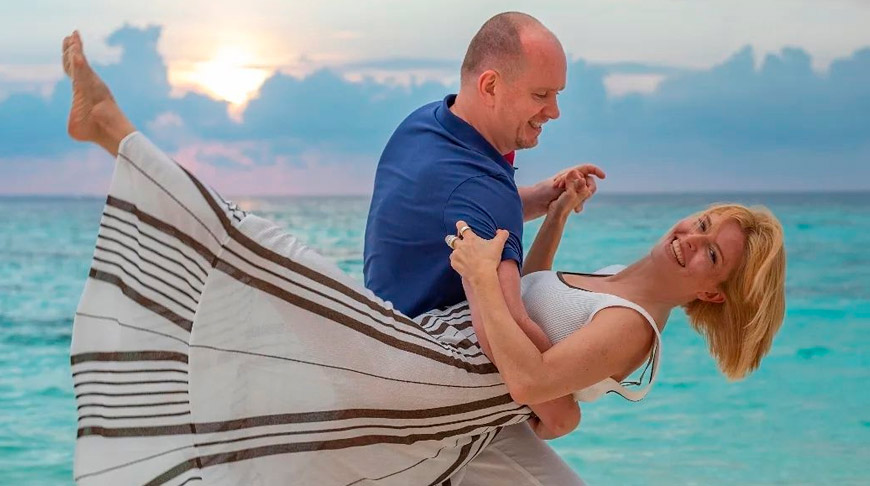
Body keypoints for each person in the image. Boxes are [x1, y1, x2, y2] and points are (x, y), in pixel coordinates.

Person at [62, 30, 786, 486]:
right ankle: (112, 130)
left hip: (447, 390)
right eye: (702, 225)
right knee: (270, 282)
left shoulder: (633, 326)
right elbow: (532, 293)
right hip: (451, 393)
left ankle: (113, 130)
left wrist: (485, 282)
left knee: (271, 271)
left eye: (709, 255)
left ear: (713, 293)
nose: (690, 239)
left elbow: (536, 379)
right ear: (492, 86)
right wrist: (554, 211)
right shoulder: (605, 277)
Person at [363, 13, 603, 483]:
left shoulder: (426, 126)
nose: (554, 111)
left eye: (557, 94)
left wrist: (546, 198)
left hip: (389, 355)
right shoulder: (482, 190)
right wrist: (562, 414)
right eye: (541, 94)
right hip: (438, 401)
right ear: (490, 85)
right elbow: (503, 325)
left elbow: (460, 213)